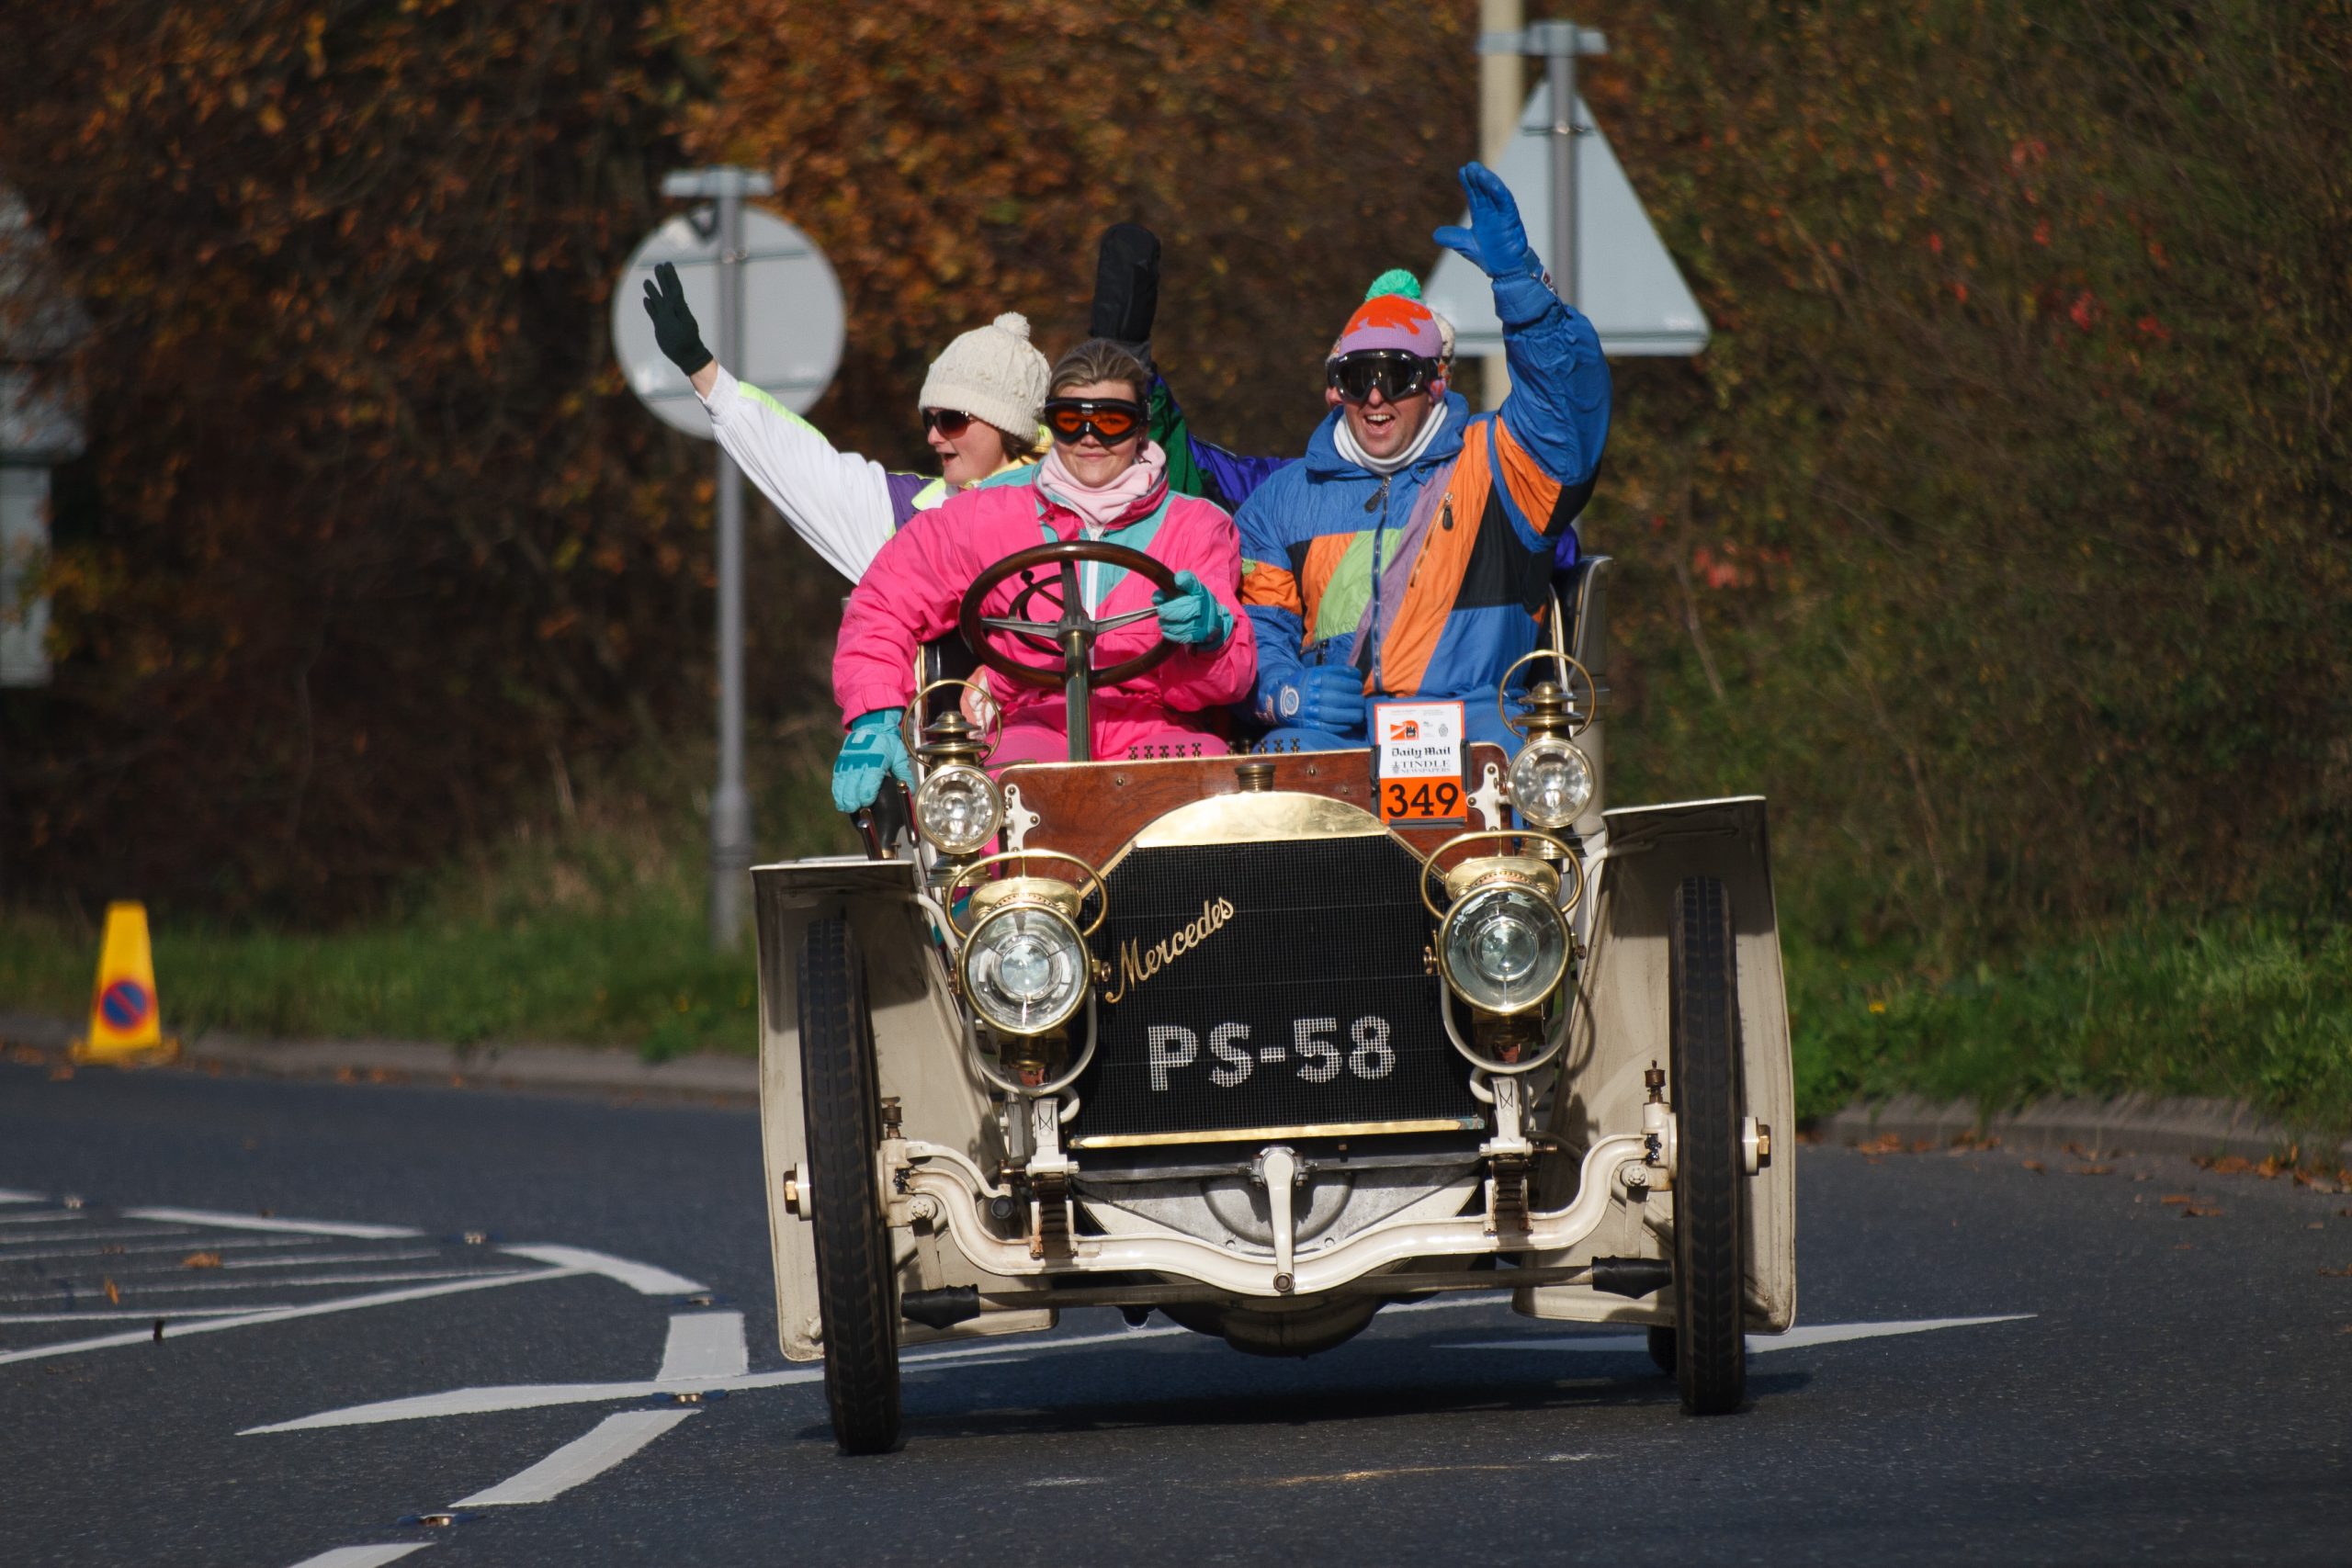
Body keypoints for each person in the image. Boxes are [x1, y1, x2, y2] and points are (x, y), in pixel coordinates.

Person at [1236, 163, 1609, 753]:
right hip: (1341, 737)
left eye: (1396, 375)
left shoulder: (1500, 462)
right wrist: (1287, 691)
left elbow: (1570, 417)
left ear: (1437, 381)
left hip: (1475, 729)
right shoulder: (1281, 500)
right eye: (1357, 377)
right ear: (1334, 388)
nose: (1376, 396)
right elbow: (1257, 631)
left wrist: (1523, 289)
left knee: (1514, 767)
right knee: (1280, 770)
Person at [829, 340, 1257, 809]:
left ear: (1141, 429)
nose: (1091, 438)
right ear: (1052, 425)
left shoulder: (1196, 524)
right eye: (1072, 422)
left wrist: (1210, 636)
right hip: (1031, 718)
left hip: (1152, 720)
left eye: (1111, 421)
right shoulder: (987, 513)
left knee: (1211, 802)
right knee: (989, 805)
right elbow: (885, 601)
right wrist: (875, 716)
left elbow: (1229, 680)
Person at [642, 261, 1050, 581]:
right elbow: (798, 465)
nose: (932, 436)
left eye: (952, 419)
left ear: (1006, 426)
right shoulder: (904, 512)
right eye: (929, 418)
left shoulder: (1073, 511)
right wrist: (702, 368)